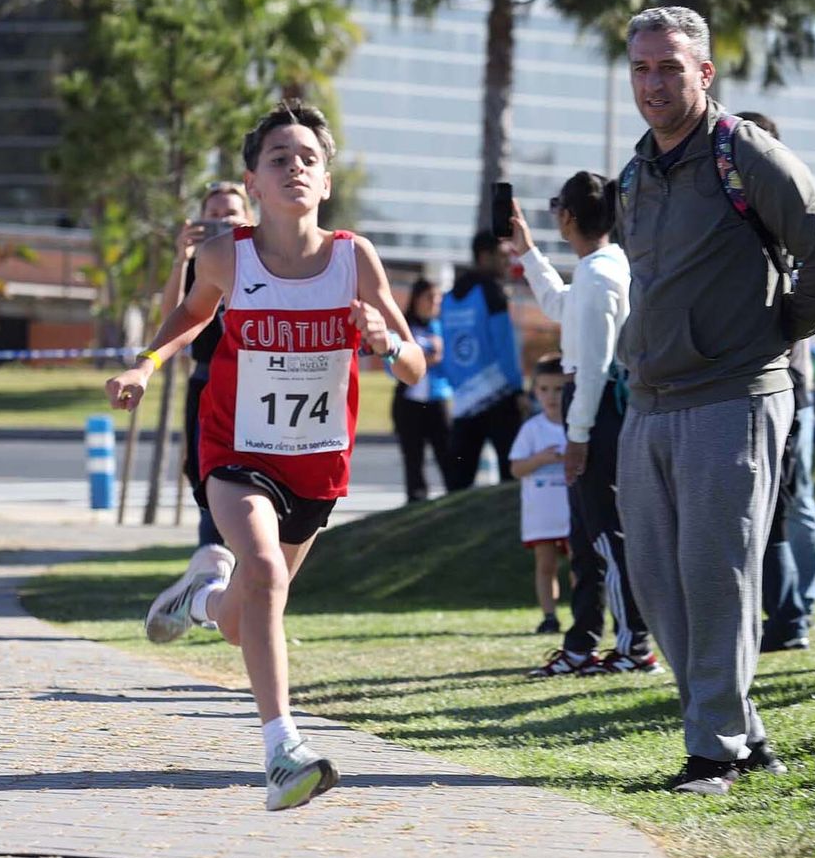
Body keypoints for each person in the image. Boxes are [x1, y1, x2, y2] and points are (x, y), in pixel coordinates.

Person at [106, 100, 424, 811]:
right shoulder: (227, 256)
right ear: (253, 180)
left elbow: (415, 368)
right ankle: (283, 750)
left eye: (309, 157)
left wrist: (385, 342)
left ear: (328, 179)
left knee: (245, 612)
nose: (295, 168)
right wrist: (146, 364)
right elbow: (189, 317)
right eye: (279, 158)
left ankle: (200, 597)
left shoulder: (354, 257)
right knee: (266, 571)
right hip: (236, 449)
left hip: (317, 462)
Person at [616, 6, 815, 794]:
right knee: (656, 581)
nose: (654, 83)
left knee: (715, 574)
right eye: (642, 68)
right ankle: (744, 731)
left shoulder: (744, 153)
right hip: (650, 398)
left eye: (670, 68)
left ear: (705, 73)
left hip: (733, 395)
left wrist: (774, 333)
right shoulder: (635, 172)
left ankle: (713, 751)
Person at [509, 173, 656, 677]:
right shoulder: (603, 268)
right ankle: (582, 643)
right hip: (599, 403)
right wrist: (527, 252)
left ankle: (636, 644)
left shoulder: (597, 275)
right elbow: (558, 306)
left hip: (598, 406)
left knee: (604, 535)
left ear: (567, 216)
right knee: (585, 532)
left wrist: (576, 437)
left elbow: (591, 369)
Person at [736, 113, 815, 653]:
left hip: (784, 381)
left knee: (781, 504)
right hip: (783, 381)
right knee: (786, 502)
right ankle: (792, 612)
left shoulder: (780, 214)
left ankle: (791, 615)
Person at [158, 180, 253, 548]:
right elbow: (170, 322)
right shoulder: (203, 265)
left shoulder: (266, 262)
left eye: (230, 214)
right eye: (212, 216)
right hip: (208, 386)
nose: (222, 221)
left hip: (258, 387)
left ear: (249, 217)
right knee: (209, 483)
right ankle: (210, 573)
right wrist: (182, 260)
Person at [439, 230, 523, 490]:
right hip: (500, 396)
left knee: (458, 484)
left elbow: (448, 349)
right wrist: (518, 388)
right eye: (502, 256)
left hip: (464, 400)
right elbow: (505, 345)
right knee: (512, 480)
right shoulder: (492, 293)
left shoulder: (450, 297)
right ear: (484, 256)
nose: (507, 263)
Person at [509, 356, 571, 634]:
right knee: (546, 566)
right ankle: (549, 616)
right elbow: (517, 468)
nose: (551, 396)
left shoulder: (578, 427)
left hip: (573, 512)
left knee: (581, 567)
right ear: (535, 391)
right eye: (544, 389)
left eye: (559, 389)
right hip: (542, 513)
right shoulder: (532, 429)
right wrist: (541, 459)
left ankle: (585, 614)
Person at [390, 278, 451, 503]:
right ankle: (415, 500)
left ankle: (453, 497)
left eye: (438, 298)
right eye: (429, 297)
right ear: (416, 299)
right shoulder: (403, 328)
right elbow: (391, 364)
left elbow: (451, 362)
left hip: (437, 400)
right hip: (408, 402)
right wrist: (421, 361)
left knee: (446, 452)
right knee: (413, 456)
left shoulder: (442, 326)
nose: (434, 302)